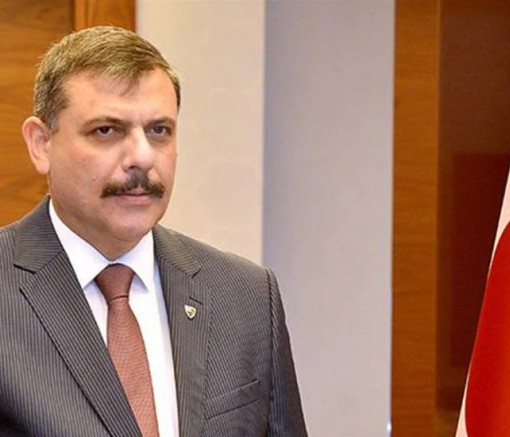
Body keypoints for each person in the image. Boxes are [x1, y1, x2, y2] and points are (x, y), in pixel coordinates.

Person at [0, 26, 307, 436]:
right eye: (107, 130)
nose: (142, 157)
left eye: (159, 130)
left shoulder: (245, 296)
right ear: (41, 144)